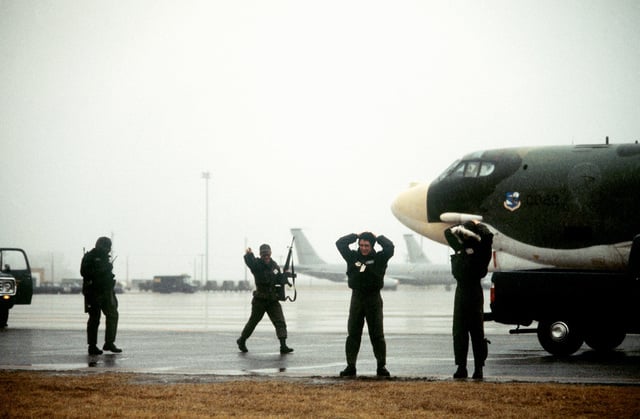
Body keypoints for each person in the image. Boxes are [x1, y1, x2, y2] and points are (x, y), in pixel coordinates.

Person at [336, 232, 394, 377]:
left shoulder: (380, 258)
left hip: (373, 298)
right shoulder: (352, 257)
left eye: (366, 245)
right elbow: (340, 243)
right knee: (353, 334)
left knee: (377, 335)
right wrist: (355, 236)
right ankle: (351, 366)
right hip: (357, 298)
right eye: (361, 245)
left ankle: (381, 366)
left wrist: (378, 237)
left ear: (372, 246)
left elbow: (390, 247)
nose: (363, 248)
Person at [444, 220, 493, 379]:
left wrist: (477, 225)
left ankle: (479, 368)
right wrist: (462, 225)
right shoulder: (460, 247)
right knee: (459, 332)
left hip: (474, 292)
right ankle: (461, 367)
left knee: (477, 333)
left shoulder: (482, 250)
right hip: (461, 292)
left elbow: (488, 236)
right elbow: (447, 232)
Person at [237, 244, 293, 354]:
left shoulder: (274, 266)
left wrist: (285, 276)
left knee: (280, 321)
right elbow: (250, 262)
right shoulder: (257, 265)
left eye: (267, 254)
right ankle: (242, 340)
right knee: (253, 322)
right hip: (260, 300)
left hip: (272, 300)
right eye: (263, 254)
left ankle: (283, 345)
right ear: (260, 255)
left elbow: (278, 278)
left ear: (270, 254)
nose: (266, 256)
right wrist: (249, 254)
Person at [81, 236, 121, 355]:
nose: (108, 249)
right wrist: (104, 269)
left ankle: (109, 343)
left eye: (109, 247)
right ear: (100, 245)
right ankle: (92, 346)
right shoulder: (90, 257)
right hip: (93, 292)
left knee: (113, 315)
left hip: (106, 291)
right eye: (106, 247)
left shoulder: (105, 258)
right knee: (94, 318)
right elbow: (84, 273)